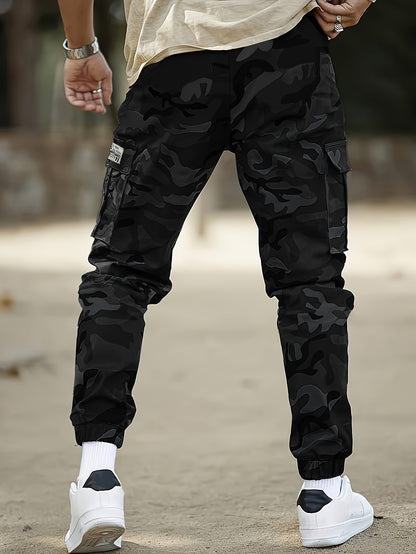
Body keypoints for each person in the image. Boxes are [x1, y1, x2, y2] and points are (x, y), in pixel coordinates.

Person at [58, 0, 377, 551]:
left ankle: (97, 478)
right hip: (285, 52)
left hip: (175, 56)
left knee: (122, 271)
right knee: (309, 281)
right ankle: (323, 492)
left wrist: (82, 47)